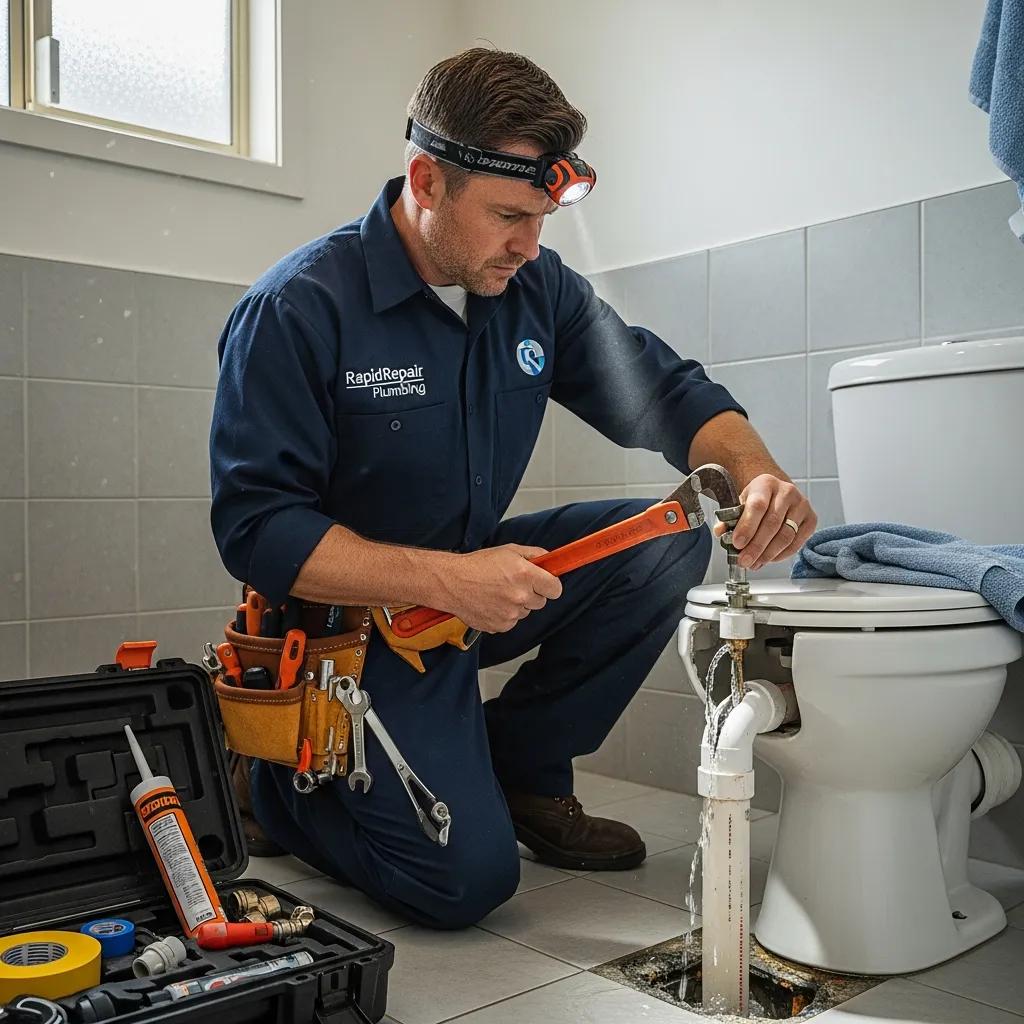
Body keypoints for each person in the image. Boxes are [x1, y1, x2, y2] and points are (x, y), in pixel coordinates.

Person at [210, 48, 817, 929]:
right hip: (344, 637)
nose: (528, 245)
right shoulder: (300, 308)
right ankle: (275, 792)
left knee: (671, 537)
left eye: (539, 218)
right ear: (427, 179)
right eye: (506, 216)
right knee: (464, 885)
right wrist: (447, 581)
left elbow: (667, 393)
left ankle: (521, 773)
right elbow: (257, 529)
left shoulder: (535, 290)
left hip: (474, 587)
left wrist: (758, 473)